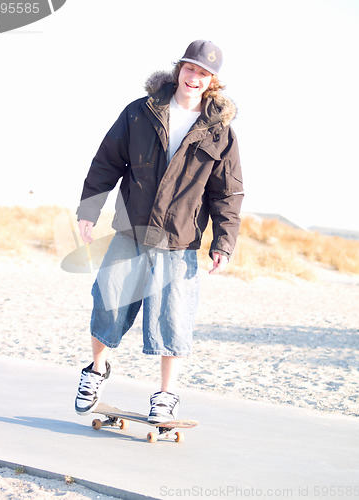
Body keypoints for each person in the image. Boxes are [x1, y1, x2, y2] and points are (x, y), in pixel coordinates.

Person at [74, 40, 244, 423]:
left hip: (179, 240)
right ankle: (96, 372)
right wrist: (89, 210)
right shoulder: (140, 112)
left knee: (174, 319)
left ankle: (166, 396)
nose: (194, 77)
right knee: (108, 304)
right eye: (190, 68)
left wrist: (224, 242)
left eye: (203, 73)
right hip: (131, 232)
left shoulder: (221, 133)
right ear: (178, 69)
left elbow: (227, 193)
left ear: (212, 80)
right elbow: (106, 161)